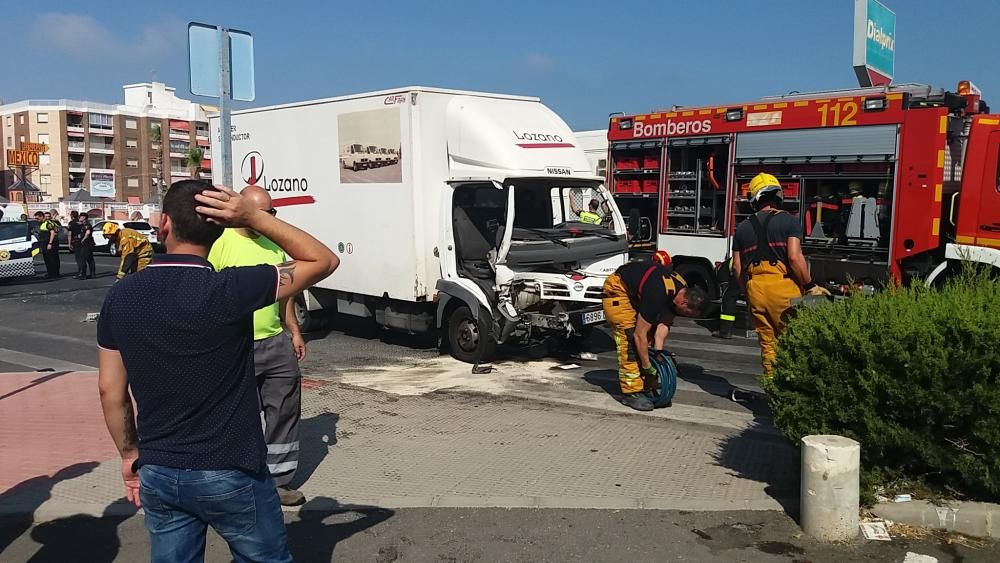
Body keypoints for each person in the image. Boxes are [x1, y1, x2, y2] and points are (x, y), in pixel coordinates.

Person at [96, 180, 339, 562]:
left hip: (159, 467)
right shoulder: (232, 288)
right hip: (231, 468)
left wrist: (130, 456)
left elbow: (111, 390)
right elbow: (322, 260)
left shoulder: (121, 296)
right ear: (221, 226)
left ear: (163, 224)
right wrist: (253, 216)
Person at [208, 187, 308, 506]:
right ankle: (238, 481)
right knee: (237, 415)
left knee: (285, 409)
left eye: (271, 213)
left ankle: (278, 483)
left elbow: (285, 294)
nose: (267, 219)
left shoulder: (274, 246)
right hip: (234, 345)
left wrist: (293, 330)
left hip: (275, 342)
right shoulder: (219, 245)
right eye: (260, 213)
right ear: (241, 209)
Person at [732, 173, 829, 378]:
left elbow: (737, 269)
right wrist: (810, 285)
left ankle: (773, 388)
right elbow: (794, 257)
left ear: (754, 198)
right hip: (782, 289)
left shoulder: (741, 228)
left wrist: (748, 292)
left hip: (755, 288)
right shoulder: (789, 221)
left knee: (768, 345)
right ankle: (792, 389)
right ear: (777, 194)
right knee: (792, 340)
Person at [602, 259, 708, 411]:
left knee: (648, 340)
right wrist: (647, 365)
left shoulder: (680, 289)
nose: (687, 317)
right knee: (630, 340)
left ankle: (647, 385)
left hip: (638, 290)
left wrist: (658, 353)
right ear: (684, 304)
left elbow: (663, 325)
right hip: (618, 289)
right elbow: (639, 335)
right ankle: (631, 392)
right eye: (688, 314)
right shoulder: (657, 294)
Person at [39, 212, 60, 278]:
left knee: (50, 259)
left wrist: (50, 243)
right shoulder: (53, 223)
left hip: (50, 243)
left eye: (48, 216)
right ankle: (55, 273)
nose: (47, 218)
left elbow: (53, 233)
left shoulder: (49, 223)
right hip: (53, 242)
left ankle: (52, 273)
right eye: (46, 216)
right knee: (54, 258)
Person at [77, 215, 96, 279]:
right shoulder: (84, 225)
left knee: (83, 259)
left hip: (86, 244)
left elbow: (88, 233)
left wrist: (83, 239)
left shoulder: (87, 225)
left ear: (84, 218)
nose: (79, 218)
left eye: (81, 217)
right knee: (90, 259)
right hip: (89, 244)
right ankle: (92, 274)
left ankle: (83, 275)